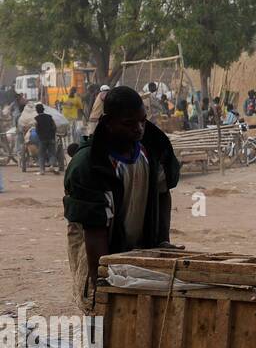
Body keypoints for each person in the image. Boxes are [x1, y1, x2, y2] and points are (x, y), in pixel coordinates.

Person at [63, 86, 181, 312]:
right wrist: (102, 281)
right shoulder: (89, 165)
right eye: (128, 124)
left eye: (142, 121)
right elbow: (94, 229)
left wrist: (161, 241)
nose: (138, 129)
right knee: (102, 313)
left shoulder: (152, 150)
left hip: (138, 244)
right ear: (108, 123)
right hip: (94, 249)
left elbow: (163, 192)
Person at [34, 104, 58, 174]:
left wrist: (39, 135)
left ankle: (42, 170)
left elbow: (36, 129)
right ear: (43, 109)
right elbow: (54, 127)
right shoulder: (49, 117)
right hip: (51, 138)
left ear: (37, 111)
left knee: (41, 154)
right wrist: (53, 135)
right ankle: (52, 165)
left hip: (42, 139)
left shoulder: (36, 119)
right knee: (52, 153)